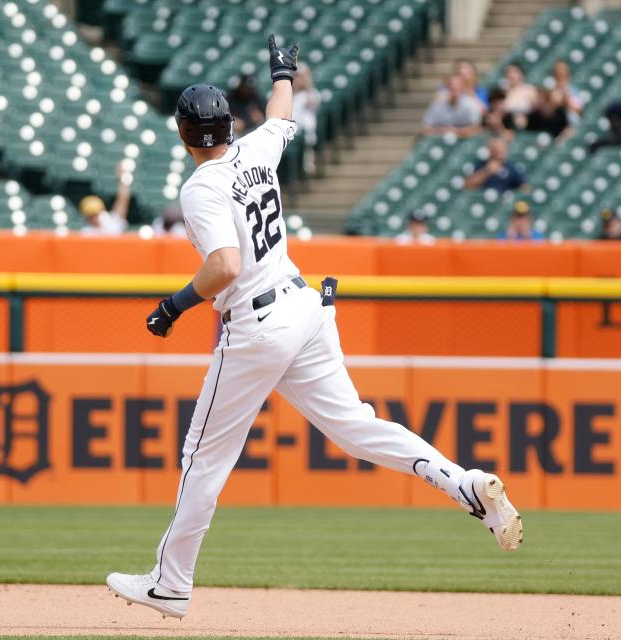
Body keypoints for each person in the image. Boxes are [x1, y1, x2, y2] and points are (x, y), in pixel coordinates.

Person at [105, 34, 522, 620]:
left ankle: (171, 583)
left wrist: (172, 306)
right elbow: (281, 113)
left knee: (202, 457)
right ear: (228, 125)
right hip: (305, 305)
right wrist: (284, 71)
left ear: (182, 135)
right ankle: (467, 486)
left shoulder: (200, 186)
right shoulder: (255, 151)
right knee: (358, 427)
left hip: (258, 324)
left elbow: (224, 266)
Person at [464, 137, 529, 194]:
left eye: (502, 147)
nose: (500, 150)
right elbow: (468, 185)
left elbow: (525, 187)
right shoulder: (481, 164)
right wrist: (487, 171)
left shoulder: (511, 167)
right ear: (490, 150)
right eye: (496, 148)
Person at [291, 63, 321, 175]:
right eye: (295, 76)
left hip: (305, 135)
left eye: (299, 77)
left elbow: (314, 104)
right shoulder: (286, 94)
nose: (297, 79)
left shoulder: (311, 93)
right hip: (288, 133)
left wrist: (307, 84)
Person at [546, 59, 584, 124]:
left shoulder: (574, 91)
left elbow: (578, 109)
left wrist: (565, 94)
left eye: (563, 75)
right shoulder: (548, 89)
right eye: (557, 75)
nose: (560, 78)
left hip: (569, 123)